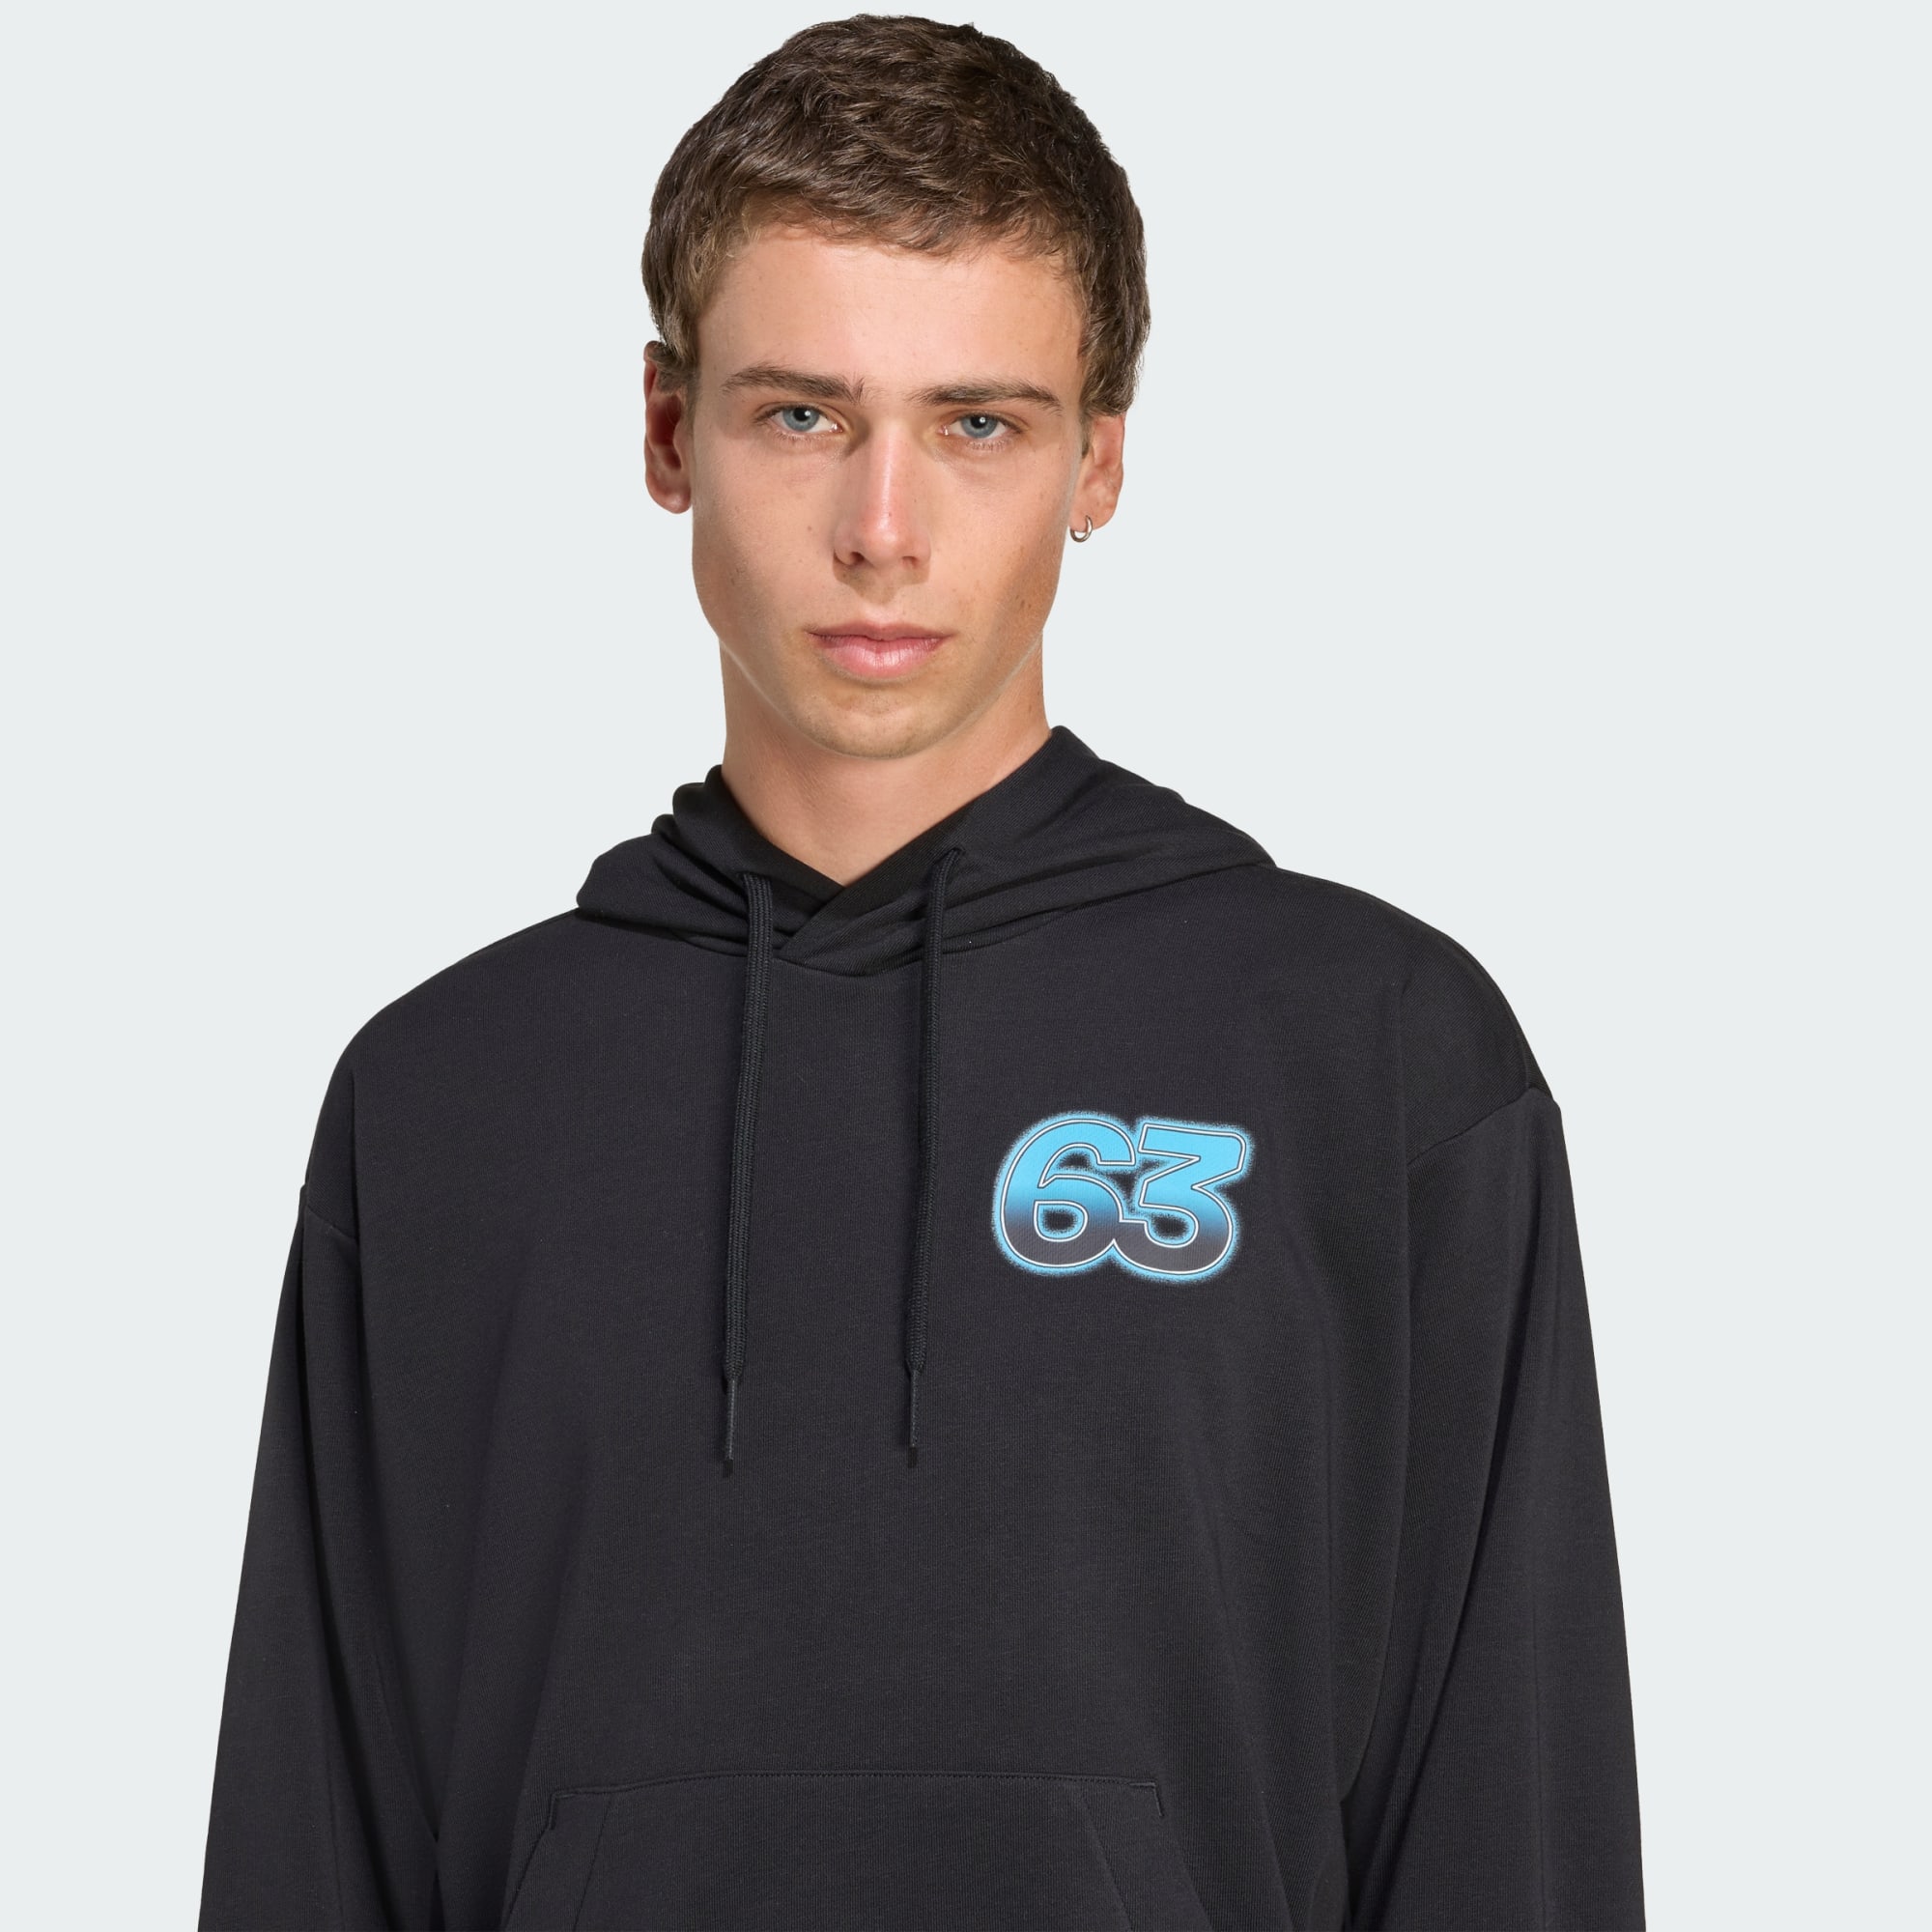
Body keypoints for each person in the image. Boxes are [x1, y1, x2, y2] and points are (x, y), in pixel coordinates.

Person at [199, 15, 1644, 1929]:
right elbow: (312, 1841)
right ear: (666, 433)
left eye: (979, 425)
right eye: (801, 415)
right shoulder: (441, 1099)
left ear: (1097, 459)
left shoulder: (1369, 1058)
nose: (882, 534)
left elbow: (1512, 1827)